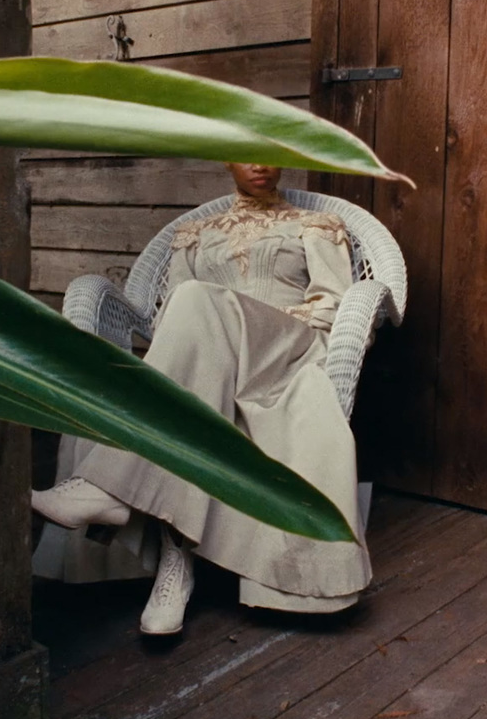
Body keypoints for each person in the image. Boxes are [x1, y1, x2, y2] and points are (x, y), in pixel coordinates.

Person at [30, 162, 371, 635]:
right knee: (190, 303)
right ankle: (178, 561)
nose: (260, 163)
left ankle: (110, 487)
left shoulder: (314, 224)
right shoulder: (194, 233)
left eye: (270, 152)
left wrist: (249, 320)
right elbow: (173, 317)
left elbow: (332, 304)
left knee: (199, 300)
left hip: (285, 347)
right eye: (245, 152)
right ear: (226, 159)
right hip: (214, 355)